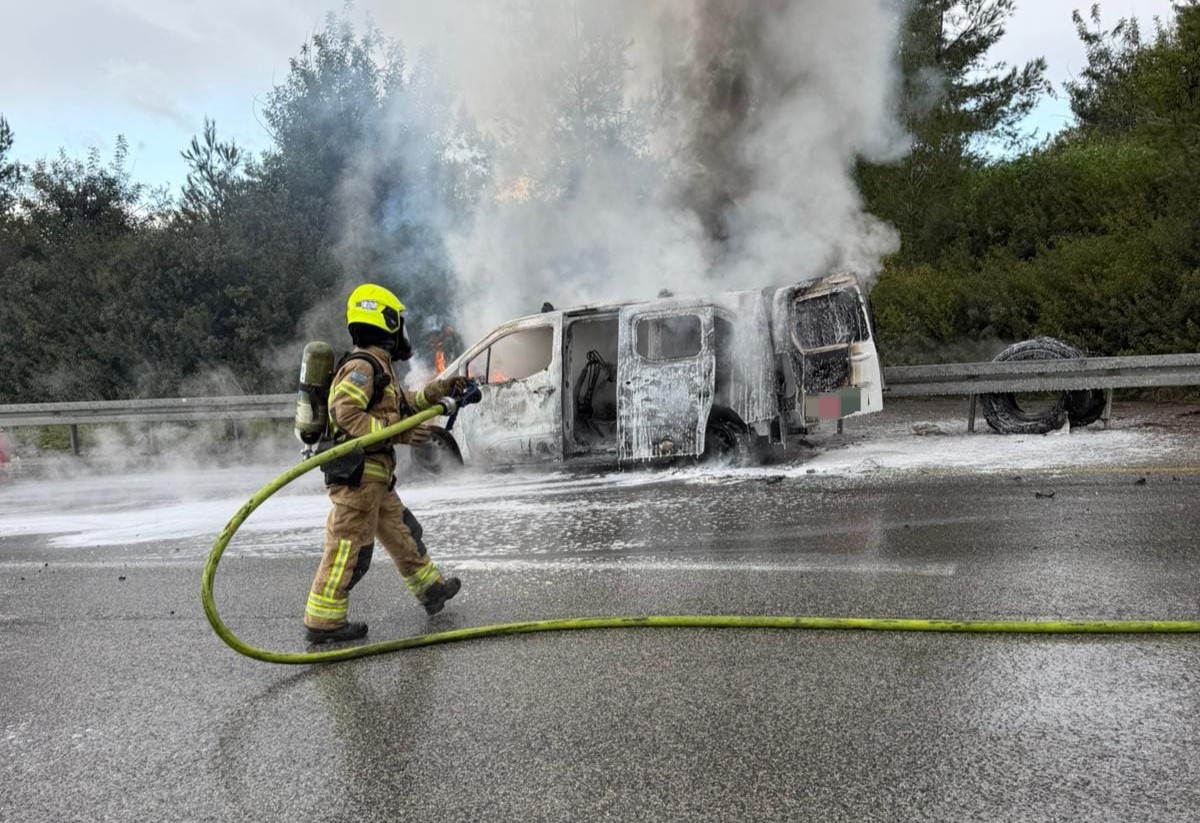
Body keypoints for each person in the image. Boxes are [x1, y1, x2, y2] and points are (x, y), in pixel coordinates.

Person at [304, 283, 471, 644]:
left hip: (375, 479)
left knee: (403, 532)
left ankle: (431, 590)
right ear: (386, 320)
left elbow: (404, 404)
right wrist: (399, 435)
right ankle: (323, 620)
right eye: (399, 321)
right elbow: (346, 414)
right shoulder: (363, 366)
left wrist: (441, 389)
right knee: (349, 547)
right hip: (357, 477)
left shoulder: (378, 367)